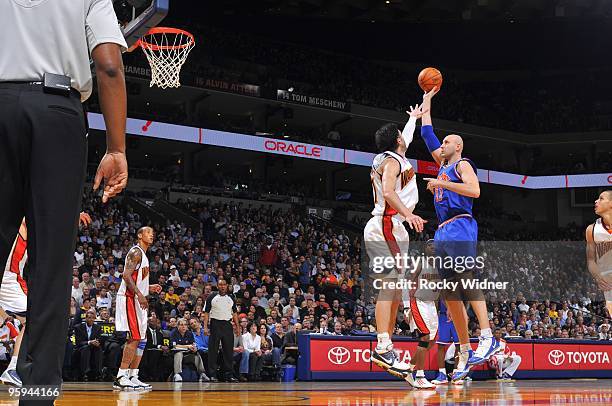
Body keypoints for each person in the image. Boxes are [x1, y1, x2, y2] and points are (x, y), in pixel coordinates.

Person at [0, 1, 128, 402]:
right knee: (51, 268)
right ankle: (37, 395)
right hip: (58, 110)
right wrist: (116, 147)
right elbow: (109, 65)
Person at [420, 87, 499, 381]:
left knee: (466, 280)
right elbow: (427, 132)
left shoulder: (461, 165)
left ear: (458, 146)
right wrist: (427, 100)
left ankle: (487, 335)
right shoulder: (442, 165)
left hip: (461, 223)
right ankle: (465, 349)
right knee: (450, 291)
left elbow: (475, 191)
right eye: (442, 142)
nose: (442, 144)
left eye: (447, 141)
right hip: (442, 230)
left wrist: (443, 185)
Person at [365, 104, 427, 380]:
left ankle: (386, 344)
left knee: (394, 287)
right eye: (403, 133)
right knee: (389, 284)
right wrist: (408, 213)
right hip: (387, 224)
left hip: (394, 227)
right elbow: (389, 191)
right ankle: (382, 345)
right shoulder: (391, 161)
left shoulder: (395, 155)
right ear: (397, 140)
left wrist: (414, 117)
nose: (406, 137)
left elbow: (408, 139)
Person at [0, 213, 91, 386]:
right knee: (36, 320)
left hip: (8, 279)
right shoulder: (23, 221)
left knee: (32, 321)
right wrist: (71, 215)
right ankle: (14, 369)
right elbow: (47, 220)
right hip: (9, 279)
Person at [113, 227, 162, 391]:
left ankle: (133, 375)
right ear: (140, 235)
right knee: (134, 337)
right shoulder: (136, 252)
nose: (151, 235)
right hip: (129, 298)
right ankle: (121, 376)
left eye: (152, 233)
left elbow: (137, 279)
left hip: (137, 297)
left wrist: (149, 287)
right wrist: (141, 295)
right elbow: (126, 276)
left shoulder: (144, 255)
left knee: (142, 339)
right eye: (148, 232)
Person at [403, 239, 439, 388]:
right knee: (424, 337)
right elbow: (407, 282)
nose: (434, 248)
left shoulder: (439, 267)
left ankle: (409, 369)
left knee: (432, 340)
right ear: (425, 248)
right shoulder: (419, 262)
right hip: (418, 302)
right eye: (430, 245)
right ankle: (420, 376)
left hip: (431, 304)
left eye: (436, 246)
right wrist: (406, 307)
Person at [203, 279, 240, 382]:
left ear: (227, 286)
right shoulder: (211, 297)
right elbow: (206, 312)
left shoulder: (231, 297)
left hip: (227, 324)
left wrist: (237, 327)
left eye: (224, 284)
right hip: (215, 324)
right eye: (220, 285)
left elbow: (235, 313)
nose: (222, 286)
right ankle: (212, 374)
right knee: (213, 350)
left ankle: (228, 374)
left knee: (228, 351)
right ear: (217, 286)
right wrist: (205, 327)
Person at [586, 190, 612, 317]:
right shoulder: (592, 230)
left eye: (601, 198)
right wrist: (597, 277)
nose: (596, 201)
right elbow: (591, 261)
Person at [170, 318, 208, 382]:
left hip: (188, 354)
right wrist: (187, 346)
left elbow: (193, 344)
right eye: (181, 325)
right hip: (176, 353)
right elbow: (174, 346)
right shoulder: (173, 333)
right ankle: (177, 374)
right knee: (178, 354)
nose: (183, 327)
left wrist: (194, 348)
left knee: (197, 354)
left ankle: (202, 373)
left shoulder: (189, 333)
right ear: (178, 326)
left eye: (185, 325)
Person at [431, 299, 459, 385]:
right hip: (443, 316)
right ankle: (442, 374)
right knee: (441, 345)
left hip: (458, 315)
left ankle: (456, 374)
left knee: (459, 346)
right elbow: (437, 299)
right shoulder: (441, 286)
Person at [74, 310, 103, 381]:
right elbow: (78, 342)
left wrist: (97, 343)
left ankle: (98, 373)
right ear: (86, 319)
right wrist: (89, 342)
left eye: (93, 318)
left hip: (93, 347)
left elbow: (99, 339)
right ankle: (84, 373)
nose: (91, 319)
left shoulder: (98, 327)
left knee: (98, 349)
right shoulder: (78, 327)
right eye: (89, 318)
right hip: (81, 348)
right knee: (86, 348)